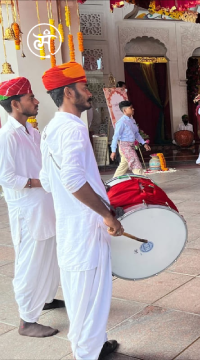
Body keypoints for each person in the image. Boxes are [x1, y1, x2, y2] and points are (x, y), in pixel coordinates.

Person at [40, 61, 123, 359]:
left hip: (70, 226)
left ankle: (94, 344)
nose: (90, 93)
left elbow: (50, 183)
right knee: (91, 296)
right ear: (68, 92)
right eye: (85, 88)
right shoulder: (73, 130)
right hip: (85, 227)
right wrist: (105, 214)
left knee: (81, 293)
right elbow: (72, 179)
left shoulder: (50, 128)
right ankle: (88, 353)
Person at [0, 77, 62, 338]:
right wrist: (42, 182)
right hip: (27, 210)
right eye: (30, 98)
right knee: (30, 262)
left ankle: (46, 299)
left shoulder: (32, 131)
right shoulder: (7, 136)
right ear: (15, 103)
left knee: (50, 256)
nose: (37, 101)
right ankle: (27, 319)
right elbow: (7, 178)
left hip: (44, 205)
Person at [110, 101, 151, 177]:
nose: (133, 109)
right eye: (131, 108)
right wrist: (113, 151)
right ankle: (144, 182)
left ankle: (112, 183)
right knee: (136, 164)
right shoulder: (121, 122)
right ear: (125, 110)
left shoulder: (132, 121)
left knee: (123, 166)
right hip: (125, 147)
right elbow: (115, 137)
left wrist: (144, 143)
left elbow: (136, 134)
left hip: (130, 146)